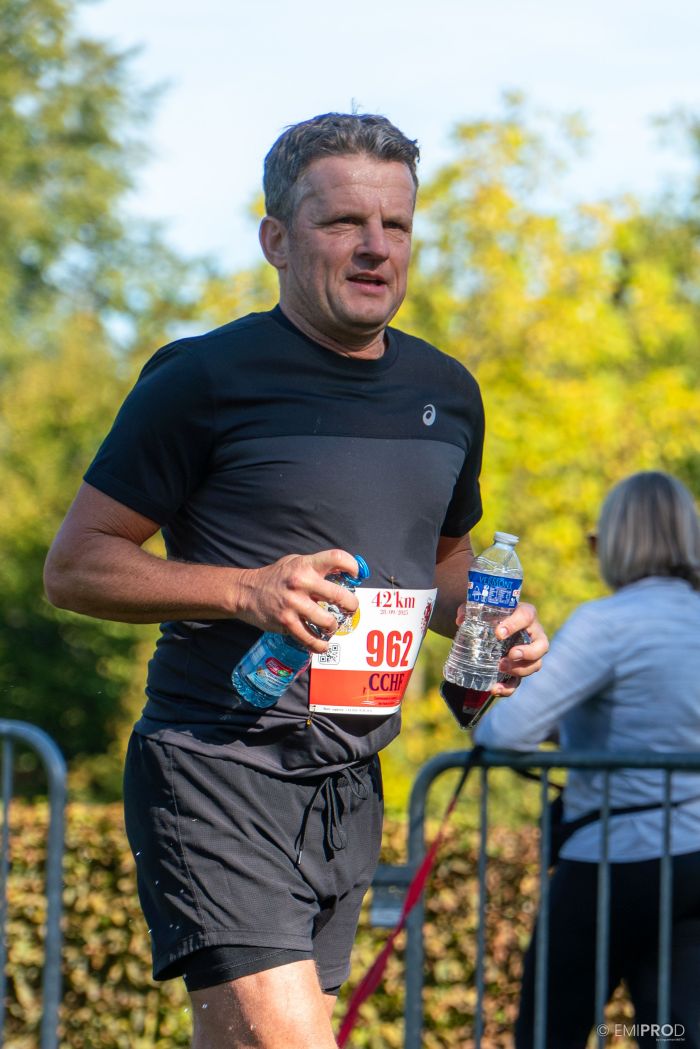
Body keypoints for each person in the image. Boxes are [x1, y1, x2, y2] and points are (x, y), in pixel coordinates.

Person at [44, 112, 548, 1049]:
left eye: (396, 225)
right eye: (343, 223)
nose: (375, 247)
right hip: (218, 765)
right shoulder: (200, 378)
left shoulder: (449, 391)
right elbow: (76, 565)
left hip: (351, 781)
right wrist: (248, 590)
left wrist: (492, 621)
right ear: (276, 239)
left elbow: (440, 560)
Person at [474, 470, 700, 1049]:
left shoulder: (608, 623)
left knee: (552, 1028)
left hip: (613, 860)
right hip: (696, 860)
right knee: (674, 1031)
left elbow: (505, 735)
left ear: (619, 541)